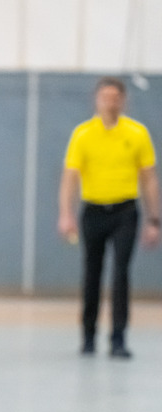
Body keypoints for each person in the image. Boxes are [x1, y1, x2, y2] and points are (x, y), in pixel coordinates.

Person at [58, 76, 161, 358]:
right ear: (97, 100)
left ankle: (118, 338)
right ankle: (88, 336)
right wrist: (66, 214)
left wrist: (154, 219)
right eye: (105, 97)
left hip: (125, 211)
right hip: (93, 211)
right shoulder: (83, 134)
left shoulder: (137, 133)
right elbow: (70, 178)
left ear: (123, 101)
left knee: (120, 274)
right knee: (92, 273)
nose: (110, 102)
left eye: (116, 97)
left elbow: (149, 179)